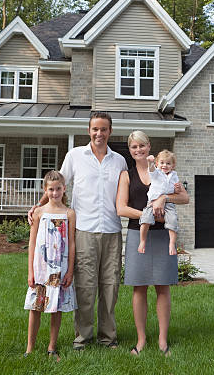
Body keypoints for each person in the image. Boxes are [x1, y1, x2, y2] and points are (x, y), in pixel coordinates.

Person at [28, 112, 127, 351]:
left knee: (110, 285)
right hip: (83, 230)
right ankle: (82, 337)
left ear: (110, 131)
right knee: (84, 286)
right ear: (89, 130)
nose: (99, 134)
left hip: (113, 231)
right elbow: (58, 185)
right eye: (95, 129)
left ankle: (108, 337)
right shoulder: (75, 156)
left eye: (104, 129)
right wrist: (40, 206)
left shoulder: (120, 161)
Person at [116, 130, 189, 356]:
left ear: (149, 147)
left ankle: (162, 341)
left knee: (162, 287)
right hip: (140, 235)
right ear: (130, 151)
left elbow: (185, 198)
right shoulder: (126, 175)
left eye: (142, 146)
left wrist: (163, 198)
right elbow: (121, 208)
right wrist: (148, 214)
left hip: (163, 237)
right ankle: (141, 340)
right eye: (133, 147)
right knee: (139, 288)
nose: (138, 150)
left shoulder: (164, 171)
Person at [24, 170, 77, 361]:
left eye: (58, 189)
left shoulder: (69, 213)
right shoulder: (39, 212)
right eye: (51, 190)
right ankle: (29, 348)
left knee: (57, 308)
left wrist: (70, 270)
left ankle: (51, 347)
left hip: (60, 269)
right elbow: (31, 243)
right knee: (35, 307)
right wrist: (30, 271)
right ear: (45, 191)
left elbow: (71, 243)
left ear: (64, 189)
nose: (55, 193)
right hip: (41, 268)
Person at [138, 150, 179, 255]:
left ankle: (172, 243)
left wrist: (177, 189)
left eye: (168, 163)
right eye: (162, 163)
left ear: (173, 165)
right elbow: (151, 170)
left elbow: (176, 190)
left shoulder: (174, 175)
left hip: (169, 204)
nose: (165, 165)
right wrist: (150, 162)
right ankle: (142, 241)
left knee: (173, 221)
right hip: (152, 202)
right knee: (145, 219)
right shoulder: (157, 173)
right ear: (157, 164)